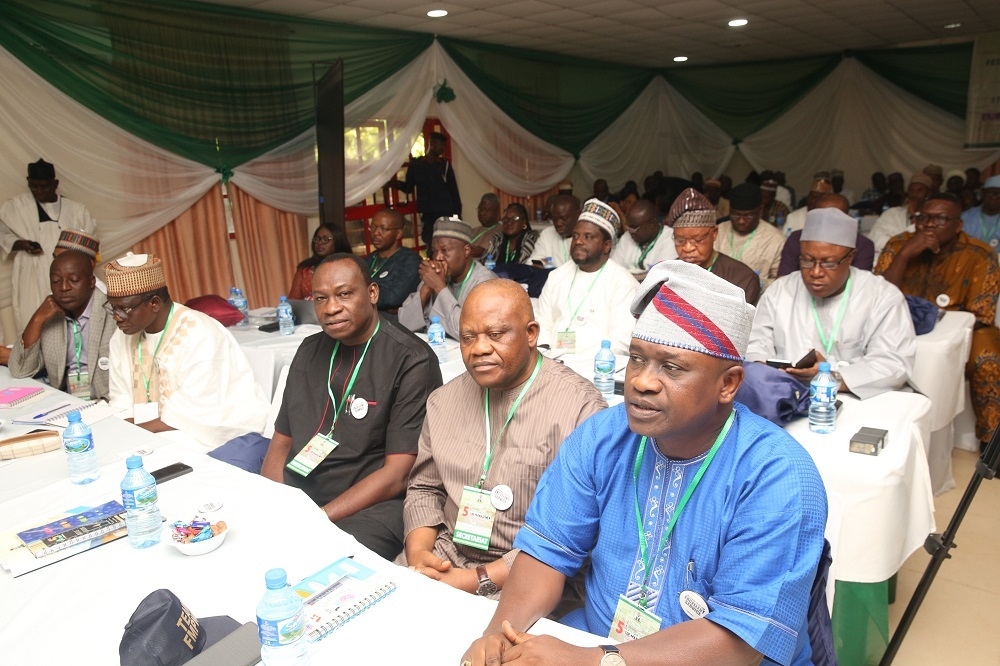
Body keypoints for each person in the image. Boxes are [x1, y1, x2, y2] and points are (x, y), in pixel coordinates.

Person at [461, 261, 827, 666]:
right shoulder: (602, 436)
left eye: (671, 367)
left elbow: (740, 642)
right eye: (637, 359)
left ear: (728, 384)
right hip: (596, 638)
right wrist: (497, 635)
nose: (641, 381)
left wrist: (596, 661)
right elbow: (549, 552)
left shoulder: (778, 475)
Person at [398, 279, 606, 597]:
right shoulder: (442, 401)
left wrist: (473, 580)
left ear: (531, 334)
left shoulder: (581, 409)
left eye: (495, 335)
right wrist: (420, 555)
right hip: (446, 558)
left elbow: (574, 535)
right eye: (468, 337)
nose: (479, 348)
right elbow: (425, 488)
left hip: (532, 577)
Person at [261, 254, 442, 559]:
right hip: (300, 496)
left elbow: (396, 475)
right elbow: (282, 441)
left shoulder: (411, 360)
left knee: (318, 561)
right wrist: (274, 504)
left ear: (372, 293)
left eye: (344, 294)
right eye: (321, 298)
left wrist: (317, 519)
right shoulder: (308, 350)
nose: (331, 308)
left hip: (372, 506)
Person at [105, 253, 269, 448]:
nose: (117, 317)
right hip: (153, 431)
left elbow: (197, 414)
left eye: (123, 309)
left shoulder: (200, 334)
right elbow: (120, 400)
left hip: (214, 435)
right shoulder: (121, 336)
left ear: (154, 303)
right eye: (112, 308)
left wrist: (129, 432)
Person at [749, 208, 915, 399]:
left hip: (857, 399)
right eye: (807, 260)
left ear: (850, 257)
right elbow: (755, 343)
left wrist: (830, 378)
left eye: (828, 263)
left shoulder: (882, 296)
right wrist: (765, 372)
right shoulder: (780, 290)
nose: (816, 272)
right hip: (784, 396)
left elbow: (893, 364)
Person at [876, 194, 1000, 448]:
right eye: (924, 218)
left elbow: (980, 313)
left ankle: (991, 441)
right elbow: (875, 296)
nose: (929, 225)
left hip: (962, 329)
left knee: (987, 357)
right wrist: (906, 255)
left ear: (958, 225)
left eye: (940, 219)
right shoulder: (898, 244)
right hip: (896, 321)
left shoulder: (979, 254)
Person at [0, 159, 97, 334]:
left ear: (55, 184)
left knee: (72, 317)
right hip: (31, 271)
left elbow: (88, 241)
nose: (40, 191)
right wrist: (22, 244)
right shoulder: (16, 207)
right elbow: (2, 234)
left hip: (68, 272)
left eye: (45, 186)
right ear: (28, 183)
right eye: (35, 187)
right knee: (31, 313)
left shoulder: (75, 210)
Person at [8, 250, 116, 400]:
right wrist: (37, 319)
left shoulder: (114, 312)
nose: (64, 287)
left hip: (109, 405)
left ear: (92, 282)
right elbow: (20, 370)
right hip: (68, 403)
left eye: (73, 279)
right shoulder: (49, 317)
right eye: (56, 281)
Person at [536, 199, 638, 356]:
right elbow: (542, 323)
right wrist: (546, 356)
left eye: (588, 237)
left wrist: (581, 362)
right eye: (575, 235)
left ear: (606, 245)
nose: (578, 241)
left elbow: (622, 340)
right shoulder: (557, 276)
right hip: (552, 364)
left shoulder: (623, 283)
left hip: (596, 370)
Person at [398, 217, 496, 339]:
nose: (438, 257)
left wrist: (439, 287)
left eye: (445, 250)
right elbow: (403, 324)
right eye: (434, 251)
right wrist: (426, 288)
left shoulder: (485, 282)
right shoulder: (436, 276)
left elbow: (468, 333)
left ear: (466, 250)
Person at [666, 188, 760, 305]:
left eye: (698, 240)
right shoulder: (666, 274)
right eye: (680, 240)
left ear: (714, 233)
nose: (688, 248)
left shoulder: (743, 280)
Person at [777, 193, 875, 277]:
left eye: (833, 219)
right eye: (821, 218)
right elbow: (783, 281)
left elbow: (859, 287)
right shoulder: (797, 238)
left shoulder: (863, 245)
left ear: (847, 218)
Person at [392, 131, 461, 247]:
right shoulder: (417, 165)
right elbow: (409, 187)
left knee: (448, 243)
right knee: (430, 243)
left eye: (444, 146)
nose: (443, 149)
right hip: (428, 214)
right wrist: (394, 184)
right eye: (441, 145)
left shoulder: (444, 165)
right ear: (432, 144)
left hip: (446, 212)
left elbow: (454, 192)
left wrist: (457, 215)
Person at [713, 183, 785, 290]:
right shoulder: (717, 231)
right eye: (736, 215)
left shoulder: (776, 239)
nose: (741, 221)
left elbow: (781, 283)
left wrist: (756, 283)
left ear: (760, 211)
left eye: (748, 216)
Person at [363, 208, 421, 315]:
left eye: (383, 229)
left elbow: (392, 298)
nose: (376, 233)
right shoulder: (368, 260)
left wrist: (360, 294)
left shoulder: (410, 260)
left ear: (398, 233)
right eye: (373, 227)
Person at [868, 172, 933, 261]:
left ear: (928, 194)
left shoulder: (932, 218)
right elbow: (875, 240)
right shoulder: (892, 213)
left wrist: (914, 216)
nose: (914, 194)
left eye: (919, 191)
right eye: (911, 190)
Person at [610, 200, 677, 280]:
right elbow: (613, 270)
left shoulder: (670, 238)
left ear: (651, 224)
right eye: (628, 227)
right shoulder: (626, 237)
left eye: (634, 228)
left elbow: (660, 276)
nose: (630, 231)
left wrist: (626, 276)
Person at [288, 223, 352, 300]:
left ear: (337, 242)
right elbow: (293, 300)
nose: (320, 242)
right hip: (309, 311)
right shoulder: (305, 269)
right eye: (317, 239)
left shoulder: (348, 266)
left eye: (325, 239)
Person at [529, 194, 579, 268]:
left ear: (578, 214)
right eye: (554, 219)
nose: (558, 223)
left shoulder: (587, 238)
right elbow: (534, 261)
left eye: (563, 218)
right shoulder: (547, 234)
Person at [960, 175, 1000, 248]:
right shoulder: (966, 216)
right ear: (982, 193)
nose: (994, 196)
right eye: (990, 192)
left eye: (998, 193)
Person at [470, 193, 502, 259]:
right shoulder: (472, 231)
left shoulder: (503, 231)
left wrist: (484, 252)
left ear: (496, 211)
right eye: (480, 209)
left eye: (486, 209)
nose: (481, 213)